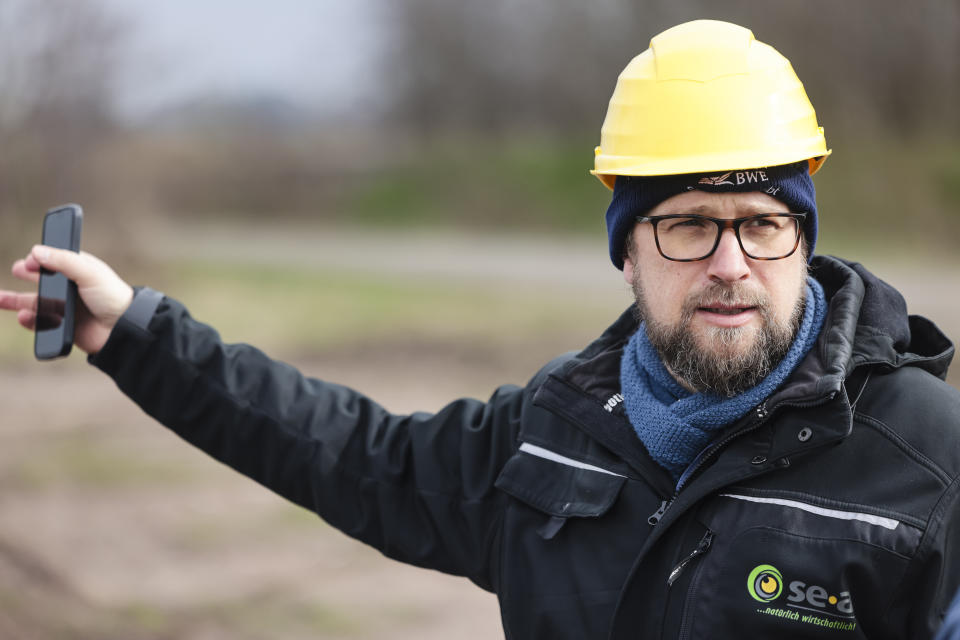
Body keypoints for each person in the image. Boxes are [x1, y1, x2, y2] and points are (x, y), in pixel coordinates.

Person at [2, 19, 959, 640]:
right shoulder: (556, 432)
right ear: (628, 250)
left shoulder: (927, 467)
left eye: (762, 223)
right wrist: (134, 331)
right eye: (687, 224)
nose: (730, 261)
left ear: (801, 237)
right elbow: (345, 452)